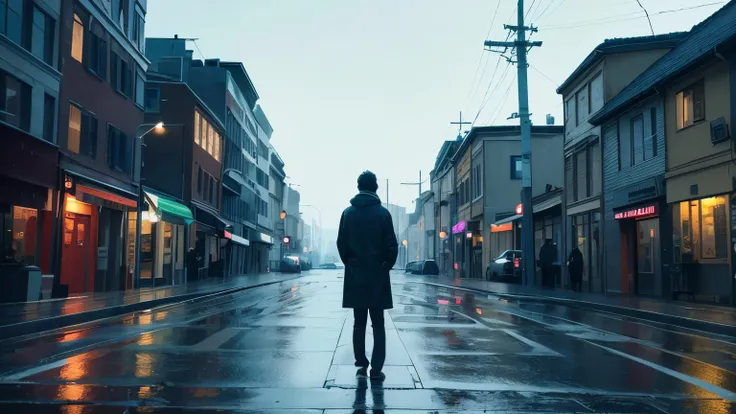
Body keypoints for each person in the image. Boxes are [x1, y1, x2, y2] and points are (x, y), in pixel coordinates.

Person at [337, 170, 398, 381]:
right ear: (375, 187)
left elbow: (341, 244)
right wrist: (384, 266)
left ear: (358, 187)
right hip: (377, 275)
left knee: (358, 322)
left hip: (355, 274)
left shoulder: (347, 213)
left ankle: (361, 363)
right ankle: (377, 368)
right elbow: (391, 246)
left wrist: (351, 264)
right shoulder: (383, 214)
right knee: (378, 323)